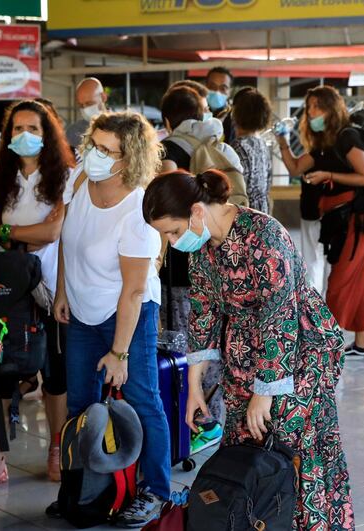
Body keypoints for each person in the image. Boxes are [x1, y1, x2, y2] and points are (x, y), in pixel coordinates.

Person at [142, 170, 355, 530]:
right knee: (248, 448)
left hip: (298, 354)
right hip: (246, 356)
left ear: (196, 211)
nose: (171, 241)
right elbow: (204, 315)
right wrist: (194, 387)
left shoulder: (264, 235)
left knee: (290, 451)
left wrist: (265, 392)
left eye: (172, 231)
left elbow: (281, 317)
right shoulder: (205, 249)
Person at [55, 111, 170, 528]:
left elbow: (135, 291)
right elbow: (69, 240)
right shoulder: (81, 181)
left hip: (130, 314)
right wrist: (63, 292)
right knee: (80, 404)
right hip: (83, 310)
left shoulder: (139, 209)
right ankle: (85, 490)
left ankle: (156, 492)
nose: (95, 155)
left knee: (142, 401)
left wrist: (119, 352)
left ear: (130, 158)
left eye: (107, 150)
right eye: (93, 145)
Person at [0, 99, 75, 489]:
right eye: (17, 129)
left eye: (33, 129)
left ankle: (57, 447)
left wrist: (9, 233)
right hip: (7, 291)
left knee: (55, 375)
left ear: (47, 134)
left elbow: (55, 234)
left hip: (53, 288)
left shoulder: (65, 178)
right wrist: (20, 234)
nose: (24, 136)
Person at [158, 85, 244, 430]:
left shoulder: (169, 149)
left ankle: (193, 420)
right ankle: (218, 417)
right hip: (220, 253)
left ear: (167, 119)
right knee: (217, 336)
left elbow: (162, 207)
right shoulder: (220, 145)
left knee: (184, 338)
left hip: (180, 267)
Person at [277, 85, 364, 357]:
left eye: (318, 107)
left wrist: (327, 176)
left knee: (339, 284)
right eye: (309, 109)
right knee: (358, 282)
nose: (312, 113)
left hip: (356, 222)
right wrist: (283, 141)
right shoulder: (325, 144)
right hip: (341, 223)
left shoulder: (348, 137)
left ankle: (323, 348)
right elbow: (296, 167)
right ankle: (362, 344)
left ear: (332, 108)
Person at [230, 87, 273, 214]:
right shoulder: (262, 144)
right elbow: (268, 182)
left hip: (245, 214)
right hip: (262, 212)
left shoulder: (237, 146)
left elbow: (233, 187)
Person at [65, 77, 107, 149]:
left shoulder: (122, 128)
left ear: (103, 97)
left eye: (89, 103)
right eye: (81, 105)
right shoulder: (73, 132)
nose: (85, 109)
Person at [205, 66, 235, 142]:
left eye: (223, 88)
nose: (217, 92)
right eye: (212, 86)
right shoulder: (195, 113)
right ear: (205, 87)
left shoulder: (234, 118)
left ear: (229, 92)